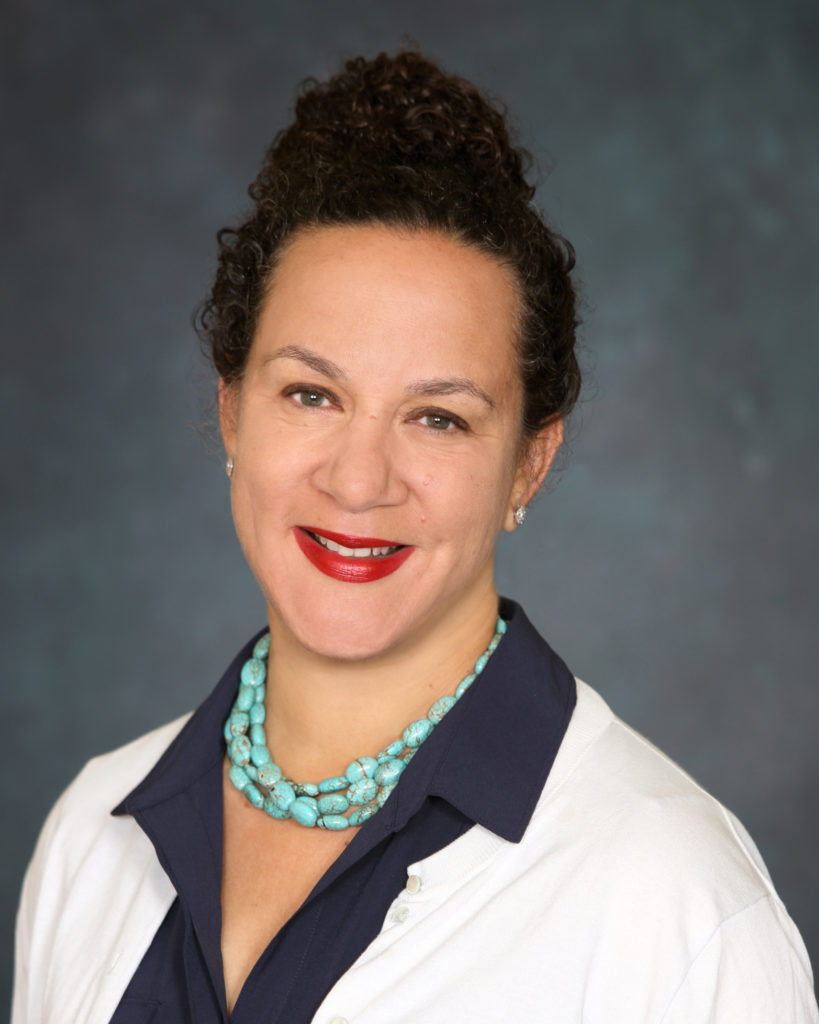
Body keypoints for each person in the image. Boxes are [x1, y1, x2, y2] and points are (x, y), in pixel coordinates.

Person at [12, 50, 818, 1024]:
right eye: (311, 394)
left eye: (438, 417)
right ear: (232, 412)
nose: (358, 480)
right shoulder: (92, 837)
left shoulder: (679, 909)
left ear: (529, 463)